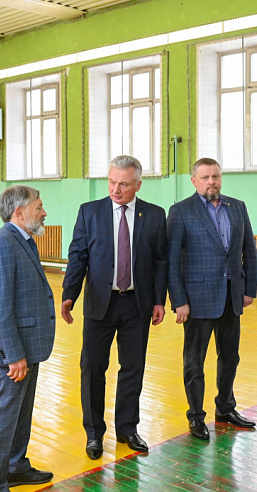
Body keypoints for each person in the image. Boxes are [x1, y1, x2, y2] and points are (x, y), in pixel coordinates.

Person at [61, 155, 168, 459]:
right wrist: (69, 295)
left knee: (133, 368)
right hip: (100, 304)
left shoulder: (154, 215)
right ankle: (94, 434)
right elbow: (78, 256)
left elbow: (160, 261)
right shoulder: (89, 212)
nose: (116, 189)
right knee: (93, 368)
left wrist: (159, 300)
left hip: (137, 304)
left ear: (138, 185)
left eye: (123, 184)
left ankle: (127, 428)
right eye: (111, 182)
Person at [167, 157, 257, 440]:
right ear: (194, 181)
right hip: (197, 300)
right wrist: (179, 300)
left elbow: (249, 249)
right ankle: (196, 416)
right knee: (194, 362)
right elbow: (172, 261)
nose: (211, 182)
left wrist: (249, 288)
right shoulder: (181, 211)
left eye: (215, 176)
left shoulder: (237, 207)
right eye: (205, 177)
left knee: (230, 357)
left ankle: (225, 408)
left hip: (231, 296)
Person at [0, 185, 56, 492]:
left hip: (29, 345)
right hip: (15, 351)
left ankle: (15, 465)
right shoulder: (2, 244)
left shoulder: (23, 240)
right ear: (19, 212)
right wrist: (14, 355)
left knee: (21, 413)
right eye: (39, 207)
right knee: (5, 416)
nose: (44, 212)